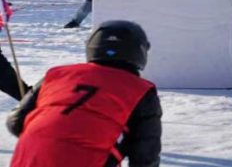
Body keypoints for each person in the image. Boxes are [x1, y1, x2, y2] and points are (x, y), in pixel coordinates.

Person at [7, 20, 162, 166]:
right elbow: (145, 156)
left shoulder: (57, 75)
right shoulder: (140, 90)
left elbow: (15, 122)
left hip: (27, 161)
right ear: (140, 51)